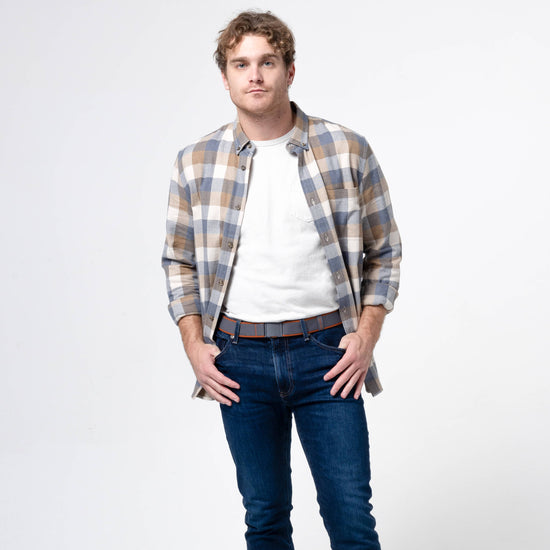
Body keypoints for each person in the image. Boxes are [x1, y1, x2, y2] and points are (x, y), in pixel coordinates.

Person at [162, 10, 401, 550]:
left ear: (289, 70)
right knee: (265, 517)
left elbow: (385, 252)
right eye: (240, 64)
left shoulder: (346, 149)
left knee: (350, 517)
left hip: (328, 357)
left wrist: (366, 337)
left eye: (267, 62)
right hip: (239, 358)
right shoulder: (195, 162)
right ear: (225, 77)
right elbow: (178, 261)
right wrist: (195, 345)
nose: (254, 75)